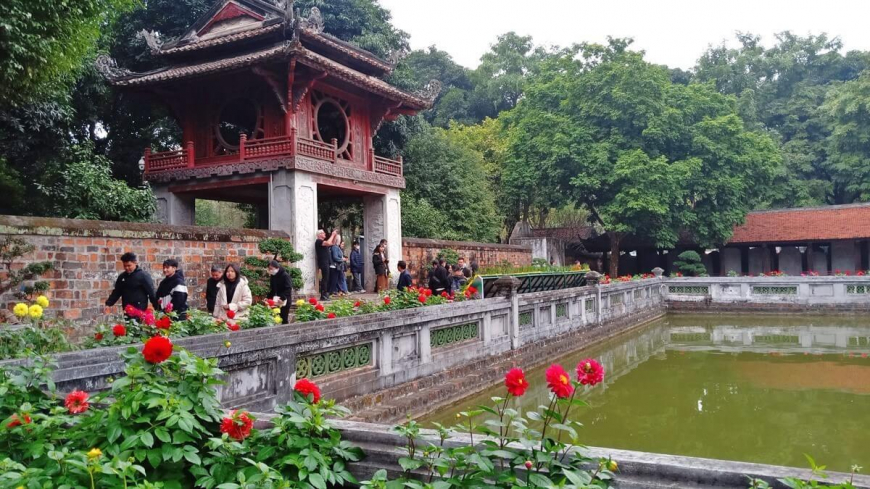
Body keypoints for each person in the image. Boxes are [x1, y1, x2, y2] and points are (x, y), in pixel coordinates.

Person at [106, 252, 156, 318]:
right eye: (125, 266)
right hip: (127, 309)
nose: (127, 268)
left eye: (129, 265)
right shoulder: (122, 277)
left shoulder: (143, 276)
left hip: (139, 310)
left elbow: (151, 292)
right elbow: (117, 292)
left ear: (135, 263)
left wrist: (156, 306)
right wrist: (108, 304)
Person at [315, 229, 338, 302]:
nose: (324, 234)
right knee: (325, 279)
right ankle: (323, 294)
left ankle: (326, 293)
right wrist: (332, 235)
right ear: (319, 235)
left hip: (327, 262)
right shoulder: (318, 241)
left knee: (327, 278)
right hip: (323, 262)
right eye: (323, 233)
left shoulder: (324, 242)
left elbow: (332, 243)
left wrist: (335, 236)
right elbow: (328, 242)